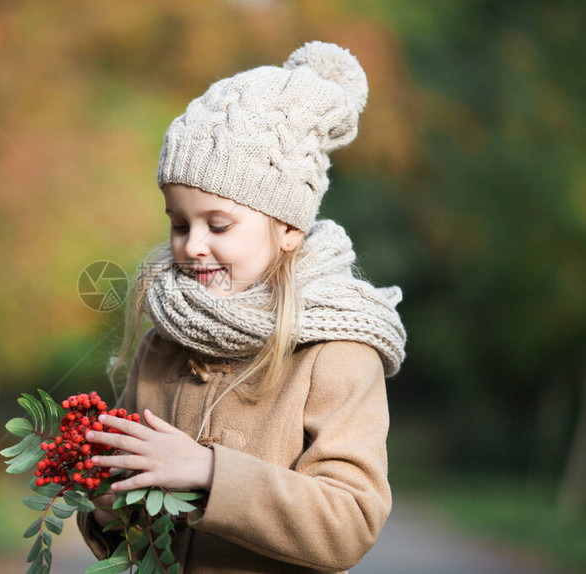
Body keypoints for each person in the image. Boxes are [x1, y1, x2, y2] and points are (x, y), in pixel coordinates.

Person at [76, 41, 407, 574]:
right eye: (179, 223)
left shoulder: (337, 350)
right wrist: (108, 503)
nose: (192, 245)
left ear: (289, 229)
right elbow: (122, 522)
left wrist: (209, 473)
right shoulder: (166, 339)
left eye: (218, 224)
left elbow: (350, 520)